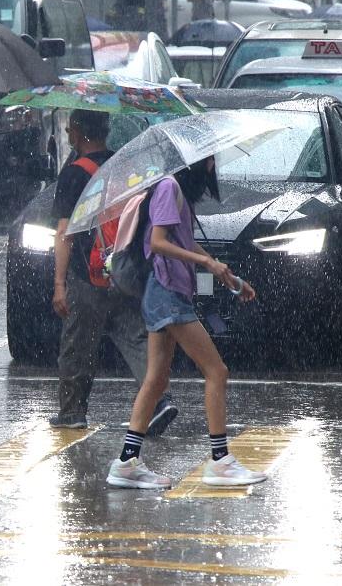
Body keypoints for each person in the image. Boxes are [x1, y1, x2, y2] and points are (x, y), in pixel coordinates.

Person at [107, 158, 265, 489]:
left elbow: (182, 242)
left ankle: (126, 463)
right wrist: (207, 261)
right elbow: (158, 242)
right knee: (216, 371)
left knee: (156, 379)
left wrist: (226, 275)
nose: (213, 164)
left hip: (165, 292)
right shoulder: (169, 187)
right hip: (166, 293)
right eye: (210, 159)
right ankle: (220, 462)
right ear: (197, 160)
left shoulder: (175, 190)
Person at [49, 110, 177, 434]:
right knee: (136, 338)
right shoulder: (123, 165)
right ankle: (159, 399)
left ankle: (72, 412)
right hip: (124, 268)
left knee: (78, 344)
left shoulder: (74, 174)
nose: (67, 133)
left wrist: (59, 283)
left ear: (79, 132)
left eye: (70, 128)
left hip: (88, 273)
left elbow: (65, 232)